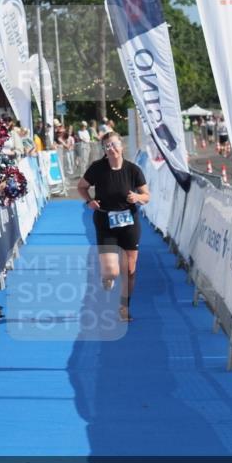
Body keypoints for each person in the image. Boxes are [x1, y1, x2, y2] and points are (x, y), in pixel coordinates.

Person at [76, 132, 150, 322]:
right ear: (104, 150)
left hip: (129, 223)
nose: (112, 149)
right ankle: (106, 277)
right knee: (112, 271)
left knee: (130, 271)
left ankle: (124, 307)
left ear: (121, 145)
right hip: (105, 222)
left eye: (114, 144)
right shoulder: (97, 168)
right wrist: (89, 201)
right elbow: (81, 187)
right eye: (107, 146)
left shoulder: (133, 170)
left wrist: (137, 197)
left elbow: (146, 196)